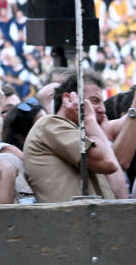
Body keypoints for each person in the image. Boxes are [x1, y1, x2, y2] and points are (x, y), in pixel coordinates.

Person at [23, 71, 129, 202]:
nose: (102, 109)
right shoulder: (50, 124)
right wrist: (90, 120)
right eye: (94, 101)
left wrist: (98, 132)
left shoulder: (88, 137)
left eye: (102, 102)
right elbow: (108, 163)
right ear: (69, 99)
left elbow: (120, 196)